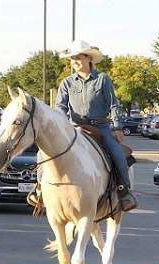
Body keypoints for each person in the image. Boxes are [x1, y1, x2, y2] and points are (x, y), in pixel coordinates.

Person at [28, 40, 138, 212]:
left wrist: (117, 127)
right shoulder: (67, 83)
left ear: (89, 59)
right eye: (72, 59)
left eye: (78, 58)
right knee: (42, 152)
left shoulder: (103, 80)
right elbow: (61, 108)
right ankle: (40, 188)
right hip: (76, 128)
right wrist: (59, 126)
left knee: (118, 154)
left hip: (101, 127)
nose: (75, 62)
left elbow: (113, 105)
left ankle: (124, 192)